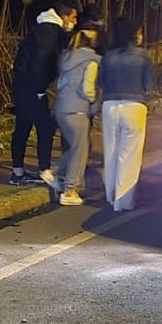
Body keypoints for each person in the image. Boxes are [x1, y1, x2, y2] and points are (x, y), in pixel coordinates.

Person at [9, 0, 77, 185]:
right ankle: (44, 170)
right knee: (45, 126)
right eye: (73, 17)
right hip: (32, 87)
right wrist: (40, 90)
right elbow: (39, 62)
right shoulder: (49, 32)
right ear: (63, 16)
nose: (74, 22)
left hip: (22, 84)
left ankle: (18, 173)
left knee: (22, 126)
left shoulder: (42, 29)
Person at [98, 17, 155, 212]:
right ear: (134, 34)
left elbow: (101, 83)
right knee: (129, 155)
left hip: (109, 105)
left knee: (111, 151)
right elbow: (148, 85)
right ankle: (124, 201)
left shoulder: (108, 56)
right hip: (134, 105)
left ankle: (111, 195)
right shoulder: (143, 55)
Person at [42, 28, 101, 206]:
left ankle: (53, 171)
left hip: (61, 107)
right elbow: (88, 88)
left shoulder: (66, 58)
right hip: (77, 109)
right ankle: (69, 190)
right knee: (80, 151)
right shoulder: (91, 61)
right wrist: (93, 102)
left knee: (76, 147)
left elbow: (60, 83)